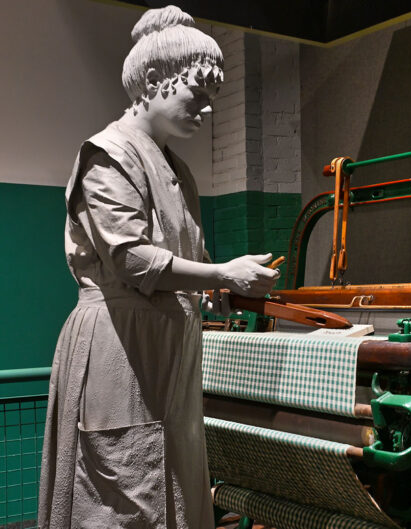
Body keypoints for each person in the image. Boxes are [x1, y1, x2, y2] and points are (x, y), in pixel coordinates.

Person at [37, 6, 278, 528]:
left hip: (167, 349)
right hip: (120, 345)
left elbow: (191, 257)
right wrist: (220, 276)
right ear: (153, 81)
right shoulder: (108, 154)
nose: (206, 109)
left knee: (172, 480)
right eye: (199, 93)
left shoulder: (177, 170)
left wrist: (222, 284)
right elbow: (131, 257)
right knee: (120, 493)